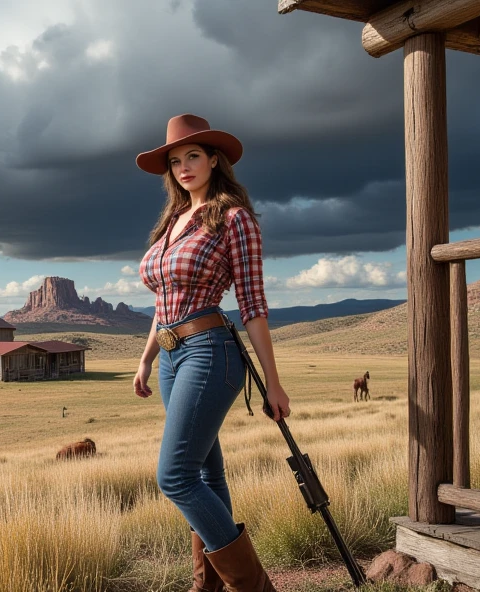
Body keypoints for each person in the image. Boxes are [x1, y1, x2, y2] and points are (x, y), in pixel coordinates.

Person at [134, 114, 290, 592]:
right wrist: (146, 359)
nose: (183, 167)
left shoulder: (234, 218)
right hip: (172, 354)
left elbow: (253, 305)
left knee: (175, 476)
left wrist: (274, 381)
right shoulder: (171, 222)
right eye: (176, 160)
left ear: (214, 159)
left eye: (193, 156)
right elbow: (163, 302)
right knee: (205, 471)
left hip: (210, 351)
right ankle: (207, 585)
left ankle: (256, 588)